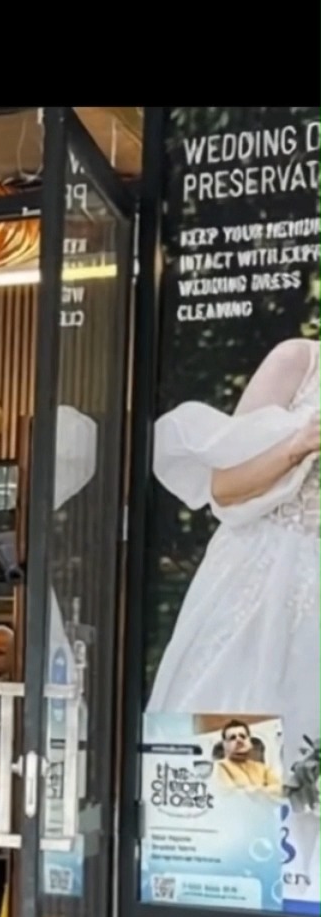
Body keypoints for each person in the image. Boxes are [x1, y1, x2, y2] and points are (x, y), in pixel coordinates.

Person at [148, 335, 320, 867]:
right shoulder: (301, 360)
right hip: (265, 579)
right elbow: (225, 486)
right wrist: (300, 444)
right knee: (241, 736)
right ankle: (223, 893)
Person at [214, 720, 283, 799]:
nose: (239, 740)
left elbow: (280, 788)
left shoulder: (262, 768)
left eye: (243, 736)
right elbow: (230, 796)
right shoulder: (219, 767)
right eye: (232, 738)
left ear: (249, 741)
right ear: (225, 744)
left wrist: (259, 790)